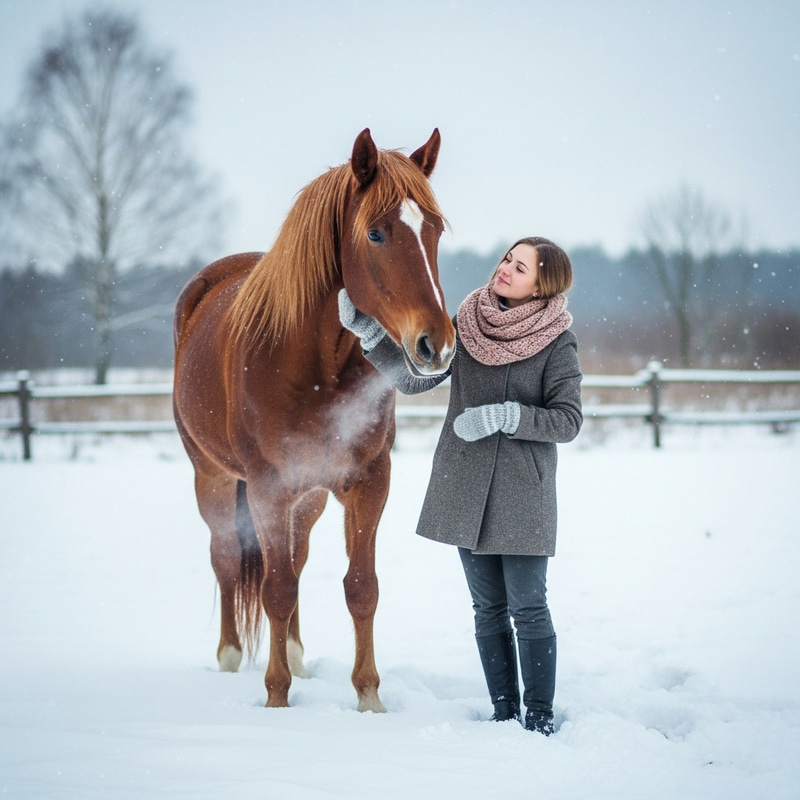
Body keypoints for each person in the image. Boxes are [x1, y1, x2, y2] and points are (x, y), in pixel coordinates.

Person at [339, 236, 582, 735]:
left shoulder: (558, 341)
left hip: (522, 492)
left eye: (520, 267)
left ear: (543, 284)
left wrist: (507, 415)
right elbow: (415, 379)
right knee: (487, 607)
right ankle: (503, 711)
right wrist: (368, 332)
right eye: (507, 260)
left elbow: (568, 420)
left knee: (528, 607)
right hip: (465, 486)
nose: (506, 269)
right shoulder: (467, 323)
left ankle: (537, 718)